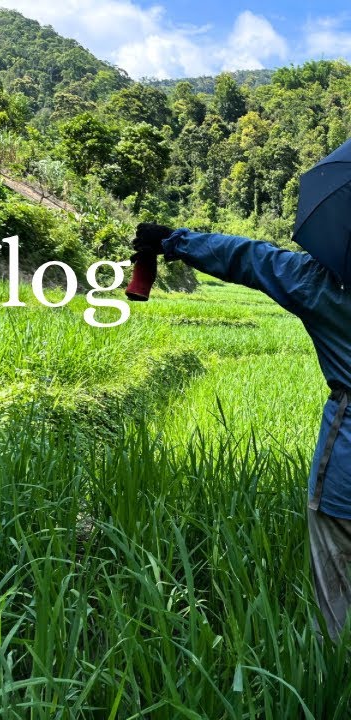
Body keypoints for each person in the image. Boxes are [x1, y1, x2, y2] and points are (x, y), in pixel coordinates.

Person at [132, 221, 351, 638]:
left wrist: (174, 241)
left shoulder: (325, 285)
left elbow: (251, 259)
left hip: (345, 478)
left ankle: (333, 671)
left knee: (336, 610)